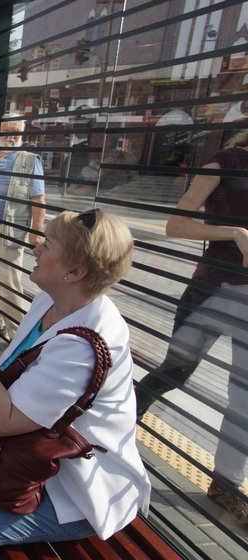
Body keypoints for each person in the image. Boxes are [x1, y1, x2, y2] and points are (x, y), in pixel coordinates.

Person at [0, 209, 150, 559]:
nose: (35, 246)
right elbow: (24, 355)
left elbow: (1, 421)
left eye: (47, 244)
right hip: (27, 448)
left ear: (75, 272)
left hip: (72, 479)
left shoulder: (86, 342)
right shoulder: (52, 300)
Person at [135, 129, 248, 524]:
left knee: (245, 395)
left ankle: (226, 484)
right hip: (213, 289)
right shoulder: (227, 162)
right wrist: (234, 232)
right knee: (176, 371)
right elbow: (176, 226)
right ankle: (116, 423)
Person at [0, 117, 45, 340]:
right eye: (7, 130)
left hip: (7, 231)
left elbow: (38, 198)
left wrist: (37, 229)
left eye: (16, 132)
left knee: (8, 282)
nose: (11, 135)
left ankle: (18, 333)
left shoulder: (28, 160)